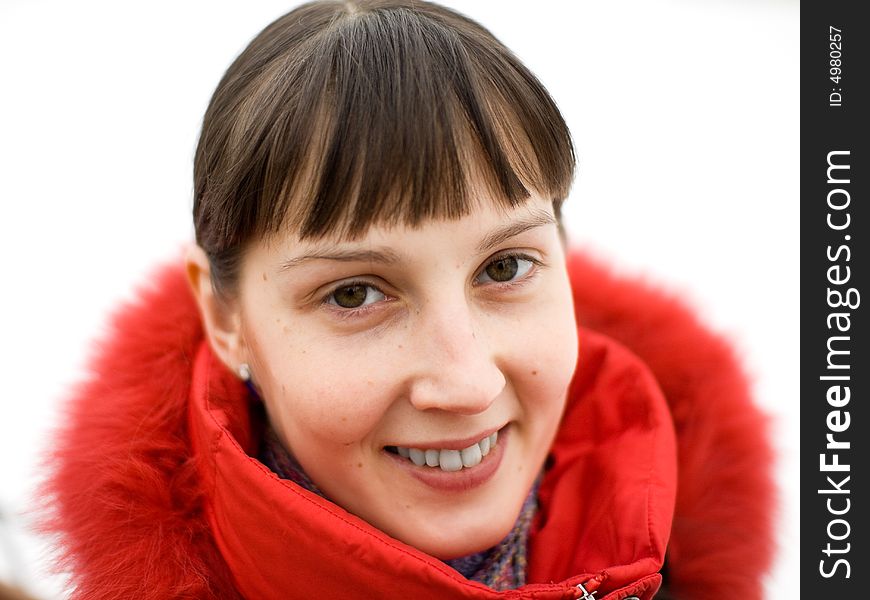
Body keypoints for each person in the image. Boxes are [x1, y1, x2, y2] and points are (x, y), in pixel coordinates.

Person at [41, 1, 774, 598]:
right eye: (356, 292)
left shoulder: (687, 560)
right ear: (226, 320)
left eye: (505, 267)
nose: (468, 383)